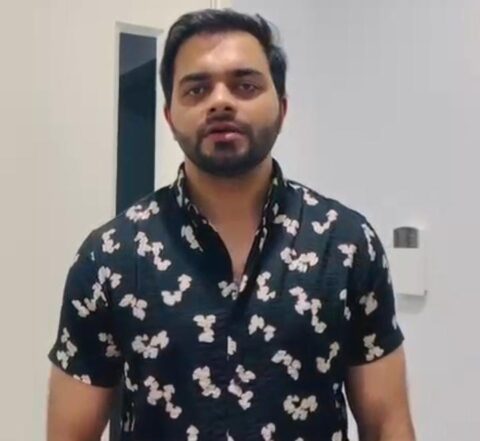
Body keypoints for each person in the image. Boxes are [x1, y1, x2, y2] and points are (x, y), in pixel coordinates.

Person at [47, 8, 415, 441]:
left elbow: (387, 423)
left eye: (245, 85)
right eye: (197, 89)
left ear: (282, 108)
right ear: (169, 116)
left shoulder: (347, 245)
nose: (220, 101)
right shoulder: (109, 258)